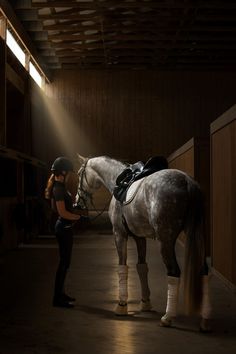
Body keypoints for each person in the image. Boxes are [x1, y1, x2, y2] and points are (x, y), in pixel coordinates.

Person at [45, 156, 83, 308]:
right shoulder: (58, 189)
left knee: (65, 263)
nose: (69, 175)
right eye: (68, 173)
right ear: (63, 172)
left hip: (65, 228)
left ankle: (61, 293)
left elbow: (66, 208)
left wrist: (74, 207)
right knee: (63, 263)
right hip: (63, 228)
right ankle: (57, 298)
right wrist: (78, 216)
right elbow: (62, 213)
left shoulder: (62, 188)